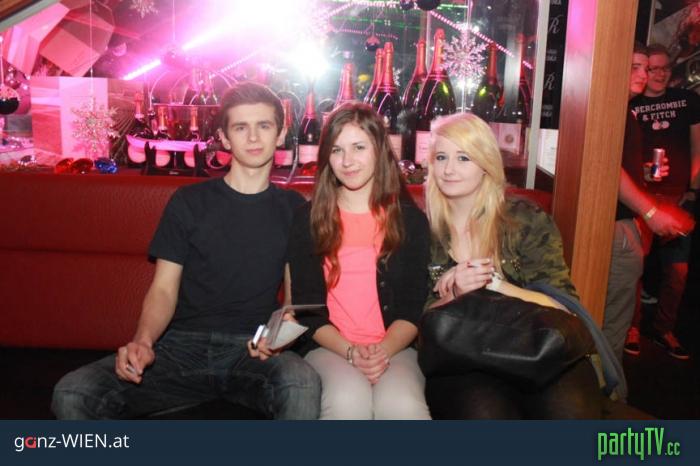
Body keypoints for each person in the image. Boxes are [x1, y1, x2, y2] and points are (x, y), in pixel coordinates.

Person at [51, 82, 321, 419]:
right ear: (224, 138)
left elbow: (293, 302)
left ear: (280, 134)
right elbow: (163, 289)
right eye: (241, 127)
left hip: (252, 349)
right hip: (181, 346)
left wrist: (278, 339)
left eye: (263, 126)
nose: (253, 137)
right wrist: (143, 342)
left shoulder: (294, 209)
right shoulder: (189, 202)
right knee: (73, 392)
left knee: (302, 382)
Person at [422, 112, 602, 419]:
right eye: (441, 157)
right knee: (484, 416)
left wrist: (493, 283)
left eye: (464, 158)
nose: (449, 169)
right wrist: (454, 292)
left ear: (486, 164)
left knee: (571, 416)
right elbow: (418, 321)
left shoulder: (523, 219)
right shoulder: (422, 229)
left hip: (536, 348)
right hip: (464, 357)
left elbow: (564, 307)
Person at [283, 102, 431, 419]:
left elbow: (412, 307)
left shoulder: (410, 221)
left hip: (395, 347)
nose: (347, 161)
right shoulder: (307, 220)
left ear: (379, 149)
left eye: (358, 147)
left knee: (403, 406)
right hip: (330, 346)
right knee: (347, 401)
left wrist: (381, 352)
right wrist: (351, 352)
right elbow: (307, 310)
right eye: (337, 150)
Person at [602, 43, 695, 364]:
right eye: (636, 67)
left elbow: (615, 165)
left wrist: (642, 173)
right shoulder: (613, 108)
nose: (643, 74)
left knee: (617, 307)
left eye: (648, 68)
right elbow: (607, 168)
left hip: (624, 219)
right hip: (618, 222)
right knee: (613, 319)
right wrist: (651, 211)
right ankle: (608, 385)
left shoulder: (625, 111)